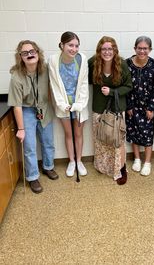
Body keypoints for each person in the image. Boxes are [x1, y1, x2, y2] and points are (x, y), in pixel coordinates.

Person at [8, 40, 58, 194]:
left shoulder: (46, 69)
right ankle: (32, 176)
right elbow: (16, 105)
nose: (30, 55)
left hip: (44, 108)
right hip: (27, 110)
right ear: (20, 56)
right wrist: (21, 129)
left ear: (38, 53)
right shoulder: (16, 77)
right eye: (25, 53)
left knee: (48, 141)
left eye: (32, 51)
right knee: (29, 146)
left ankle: (48, 167)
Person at [88, 36, 132, 185]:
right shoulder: (93, 63)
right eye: (104, 49)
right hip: (99, 108)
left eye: (110, 49)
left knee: (117, 140)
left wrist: (112, 92)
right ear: (99, 50)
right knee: (100, 139)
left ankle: (120, 169)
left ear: (115, 50)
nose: (107, 52)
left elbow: (128, 86)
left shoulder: (122, 64)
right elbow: (83, 79)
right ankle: (103, 167)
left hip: (117, 110)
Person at [48, 32, 89, 177]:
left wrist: (80, 104)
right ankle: (71, 161)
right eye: (70, 45)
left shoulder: (82, 59)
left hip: (79, 105)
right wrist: (62, 104)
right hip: (63, 105)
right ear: (62, 45)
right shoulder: (53, 60)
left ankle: (79, 161)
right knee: (68, 134)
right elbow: (54, 85)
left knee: (78, 133)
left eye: (76, 45)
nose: (74, 49)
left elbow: (84, 84)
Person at [126, 36, 154, 176]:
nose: (142, 51)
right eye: (139, 48)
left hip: (148, 106)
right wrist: (128, 106)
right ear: (135, 48)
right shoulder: (126, 64)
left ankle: (147, 162)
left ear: (150, 50)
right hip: (132, 105)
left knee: (147, 134)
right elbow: (125, 86)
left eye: (145, 48)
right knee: (133, 132)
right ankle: (137, 159)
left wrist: (151, 108)